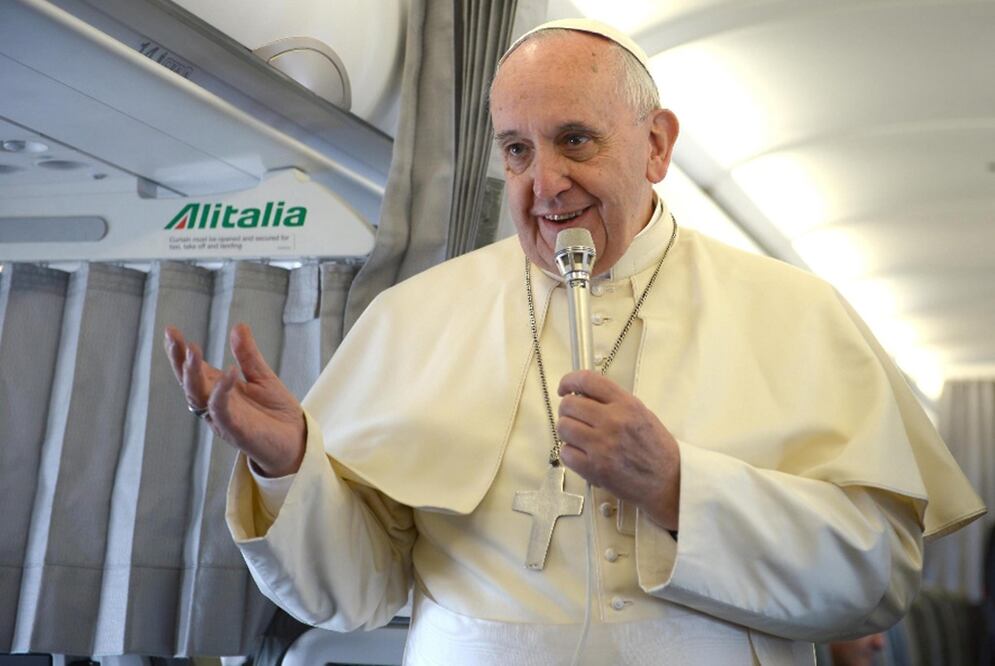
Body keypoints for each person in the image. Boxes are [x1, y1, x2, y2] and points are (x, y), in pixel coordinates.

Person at [164, 18, 984, 666]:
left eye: (575, 140)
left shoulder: (793, 311)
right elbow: (356, 593)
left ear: (655, 145)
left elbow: (873, 581)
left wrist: (678, 487)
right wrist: (291, 468)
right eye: (517, 150)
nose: (544, 183)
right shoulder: (415, 316)